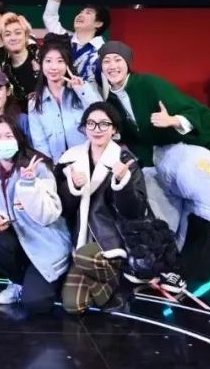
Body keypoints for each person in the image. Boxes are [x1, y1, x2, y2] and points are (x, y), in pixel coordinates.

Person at [98, 41, 210, 280]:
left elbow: (189, 110)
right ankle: (171, 265)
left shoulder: (148, 84)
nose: (112, 66)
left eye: (118, 60)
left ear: (128, 64)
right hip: (168, 156)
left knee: (201, 209)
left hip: (207, 142)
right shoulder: (113, 101)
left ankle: (194, 273)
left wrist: (172, 121)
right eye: (106, 61)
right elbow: (133, 138)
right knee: (168, 208)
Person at [55, 102, 154, 314]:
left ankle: (120, 277)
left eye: (103, 124)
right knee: (73, 305)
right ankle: (114, 290)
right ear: (84, 127)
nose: (97, 129)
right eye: (91, 123)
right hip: (81, 240)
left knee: (84, 256)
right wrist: (73, 187)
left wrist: (122, 181)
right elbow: (64, 210)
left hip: (113, 239)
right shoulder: (70, 160)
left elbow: (134, 211)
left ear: (114, 129)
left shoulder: (126, 161)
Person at [0, 116, 72, 314]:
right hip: (20, 242)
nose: (3, 141)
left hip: (45, 246)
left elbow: (48, 215)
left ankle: (57, 279)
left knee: (36, 303)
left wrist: (29, 185)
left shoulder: (37, 167)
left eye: (8, 136)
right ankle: (19, 282)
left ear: (18, 139)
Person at [27, 40, 102, 163]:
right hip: (56, 165)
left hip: (88, 162)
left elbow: (102, 115)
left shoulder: (83, 89)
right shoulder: (34, 102)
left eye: (60, 61)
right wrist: (50, 168)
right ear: (41, 64)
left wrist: (81, 90)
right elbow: (40, 143)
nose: (54, 67)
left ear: (67, 64)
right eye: (48, 61)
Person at [42, 0, 111, 82]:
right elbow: (50, 17)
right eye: (80, 12)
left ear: (98, 23)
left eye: (88, 13)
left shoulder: (104, 51)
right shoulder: (64, 39)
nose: (80, 15)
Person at [0, 12, 40, 106]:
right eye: (7, 34)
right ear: (2, 40)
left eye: (18, 33)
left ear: (26, 36)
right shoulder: (5, 72)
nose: (13, 38)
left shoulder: (41, 56)